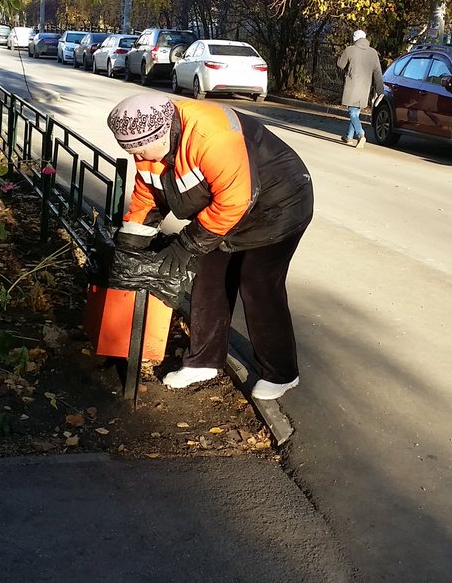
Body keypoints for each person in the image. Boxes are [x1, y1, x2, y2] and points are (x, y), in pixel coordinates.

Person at [106, 94, 314, 400]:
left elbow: (235, 201)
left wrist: (187, 244)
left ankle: (281, 373)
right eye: (130, 150)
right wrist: (131, 239)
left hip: (278, 206)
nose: (137, 155)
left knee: (258, 283)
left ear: (162, 135)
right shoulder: (149, 149)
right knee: (207, 279)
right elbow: (148, 193)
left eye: (139, 148)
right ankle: (203, 361)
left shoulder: (212, 137)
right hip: (225, 206)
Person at [336, 29, 385, 148]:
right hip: (365, 87)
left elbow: (340, 65)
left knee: (352, 113)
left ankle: (361, 134)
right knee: (356, 112)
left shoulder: (350, 50)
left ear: (354, 39)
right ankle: (348, 136)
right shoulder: (373, 53)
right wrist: (380, 91)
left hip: (352, 86)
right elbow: (378, 73)